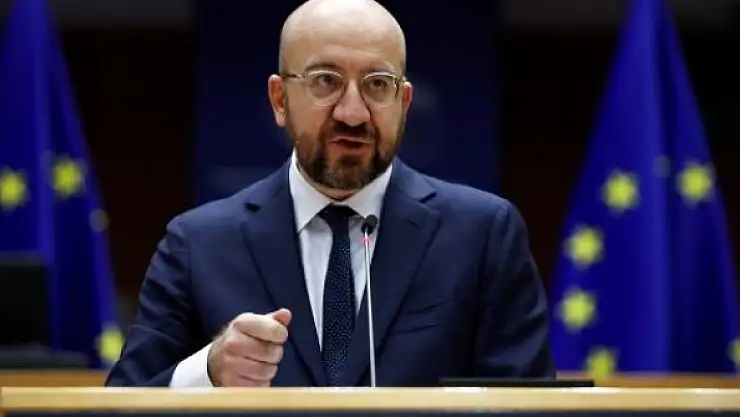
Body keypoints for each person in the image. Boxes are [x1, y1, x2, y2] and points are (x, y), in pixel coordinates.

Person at [105, 0, 555, 387]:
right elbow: (120, 403)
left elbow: (530, 405)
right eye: (326, 81)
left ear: (404, 103)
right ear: (280, 100)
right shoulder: (197, 244)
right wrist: (208, 370)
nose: (353, 113)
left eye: (377, 84)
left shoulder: (483, 235)